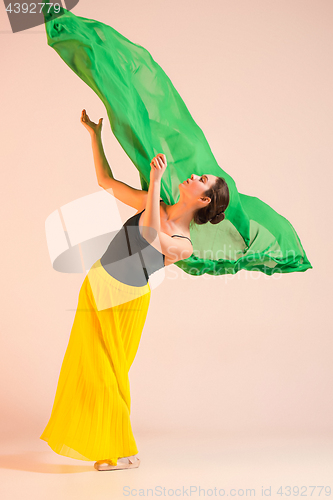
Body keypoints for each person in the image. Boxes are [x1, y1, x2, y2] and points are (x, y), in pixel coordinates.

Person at [39, 109, 230, 472]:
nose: (192, 176)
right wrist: (95, 135)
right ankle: (112, 445)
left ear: (204, 200)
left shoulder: (183, 242)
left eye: (201, 179)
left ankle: (120, 449)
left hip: (126, 300)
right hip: (97, 282)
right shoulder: (153, 203)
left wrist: (156, 181)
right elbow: (105, 182)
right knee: (86, 364)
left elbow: (147, 234)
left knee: (108, 371)